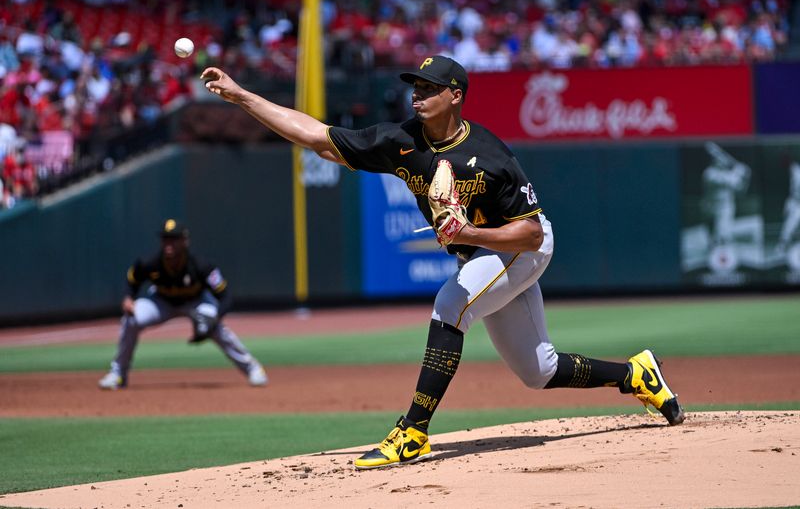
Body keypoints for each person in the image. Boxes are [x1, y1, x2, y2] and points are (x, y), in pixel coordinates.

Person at [200, 55, 684, 470]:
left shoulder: (490, 153)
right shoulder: (400, 141)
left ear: (456, 96)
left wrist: (469, 233)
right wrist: (243, 96)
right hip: (482, 253)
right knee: (539, 370)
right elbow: (318, 136)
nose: (418, 95)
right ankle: (635, 375)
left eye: (430, 88)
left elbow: (532, 232)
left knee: (449, 304)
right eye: (415, 86)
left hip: (521, 247)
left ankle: (413, 430)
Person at [98, 219, 268, 389]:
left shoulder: (201, 266)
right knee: (132, 319)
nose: (168, 243)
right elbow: (132, 279)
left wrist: (215, 318)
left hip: (196, 302)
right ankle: (118, 374)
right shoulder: (150, 263)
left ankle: (253, 369)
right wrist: (128, 297)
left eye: (174, 238)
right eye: (165, 239)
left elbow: (225, 296)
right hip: (161, 302)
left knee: (215, 328)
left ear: (185, 241)